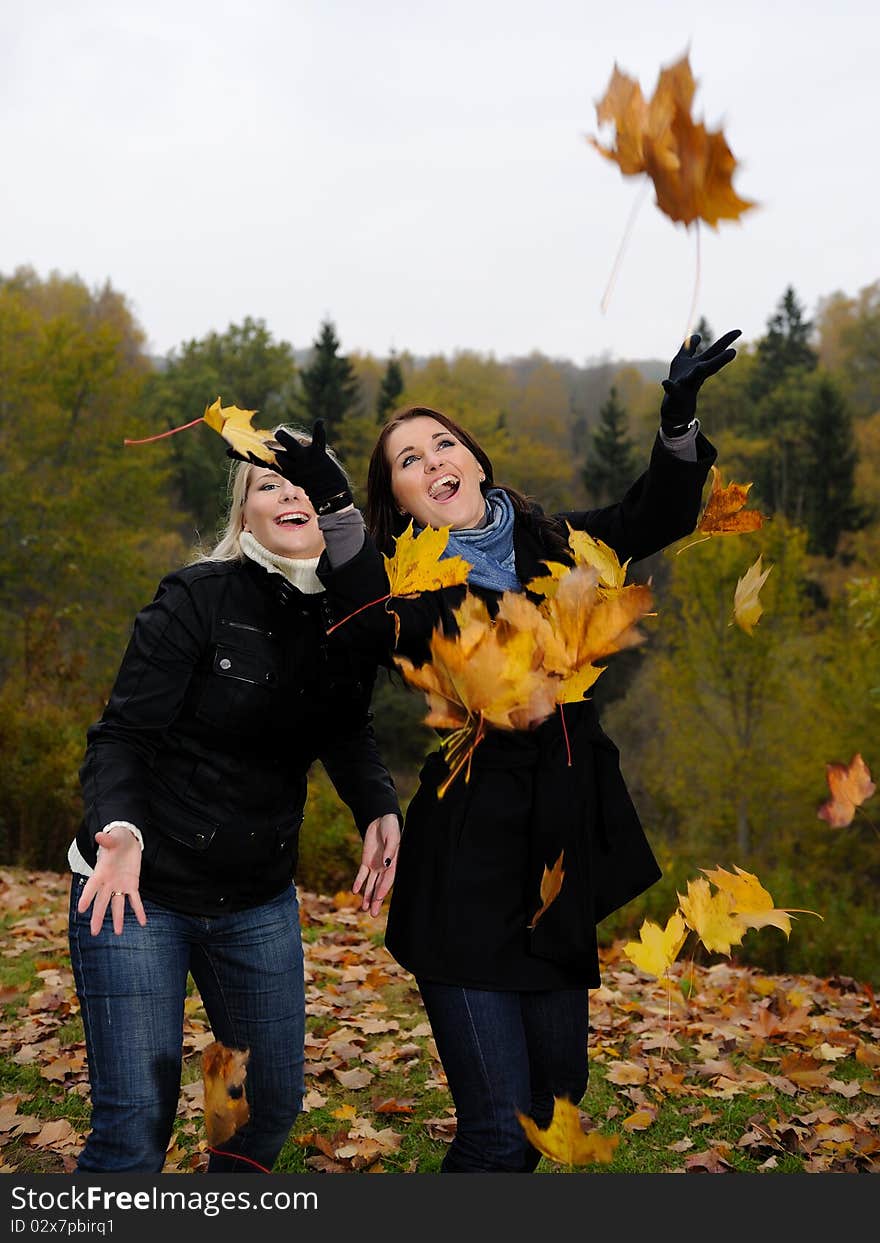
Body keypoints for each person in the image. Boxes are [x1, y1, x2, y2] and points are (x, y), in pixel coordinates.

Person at [262, 330, 739, 1172]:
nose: (432, 459)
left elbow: (653, 516)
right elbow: (369, 619)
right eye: (408, 460)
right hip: (466, 866)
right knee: (497, 1127)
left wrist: (678, 418)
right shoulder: (409, 583)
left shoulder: (558, 544)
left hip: (556, 856)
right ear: (402, 501)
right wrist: (337, 509)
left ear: (476, 461)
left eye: (443, 442)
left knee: (556, 1097)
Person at [69, 428, 402, 1174]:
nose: (287, 492)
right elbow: (120, 734)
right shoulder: (196, 597)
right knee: (135, 1122)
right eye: (265, 484)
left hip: (255, 898)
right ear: (242, 515)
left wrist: (377, 802)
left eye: (301, 483)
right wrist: (118, 831)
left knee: (264, 1102)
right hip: (138, 885)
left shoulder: (349, 621)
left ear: (331, 506)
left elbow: (347, 728)